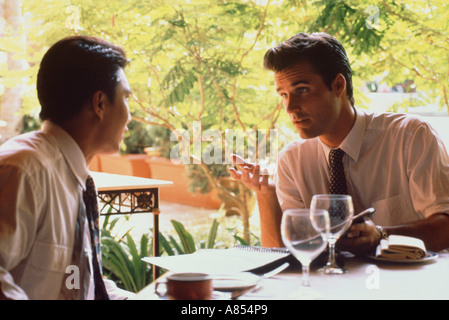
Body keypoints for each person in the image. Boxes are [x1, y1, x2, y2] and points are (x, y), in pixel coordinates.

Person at [229, 32, 449, 255]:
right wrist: (266, 195)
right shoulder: (292, 161)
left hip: (410, 283)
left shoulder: (409, 137)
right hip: (329, 287)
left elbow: (446, 226)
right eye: (284, 95)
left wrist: (382, 235)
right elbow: (285, 254)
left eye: (302, 90)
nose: (290, 108)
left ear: (338, 85)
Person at [0, 36, 134, 299]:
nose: (129, 116)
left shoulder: (74, 176)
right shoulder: (23, 170)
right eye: (126, 98)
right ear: (100, 104)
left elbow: (81, 283)